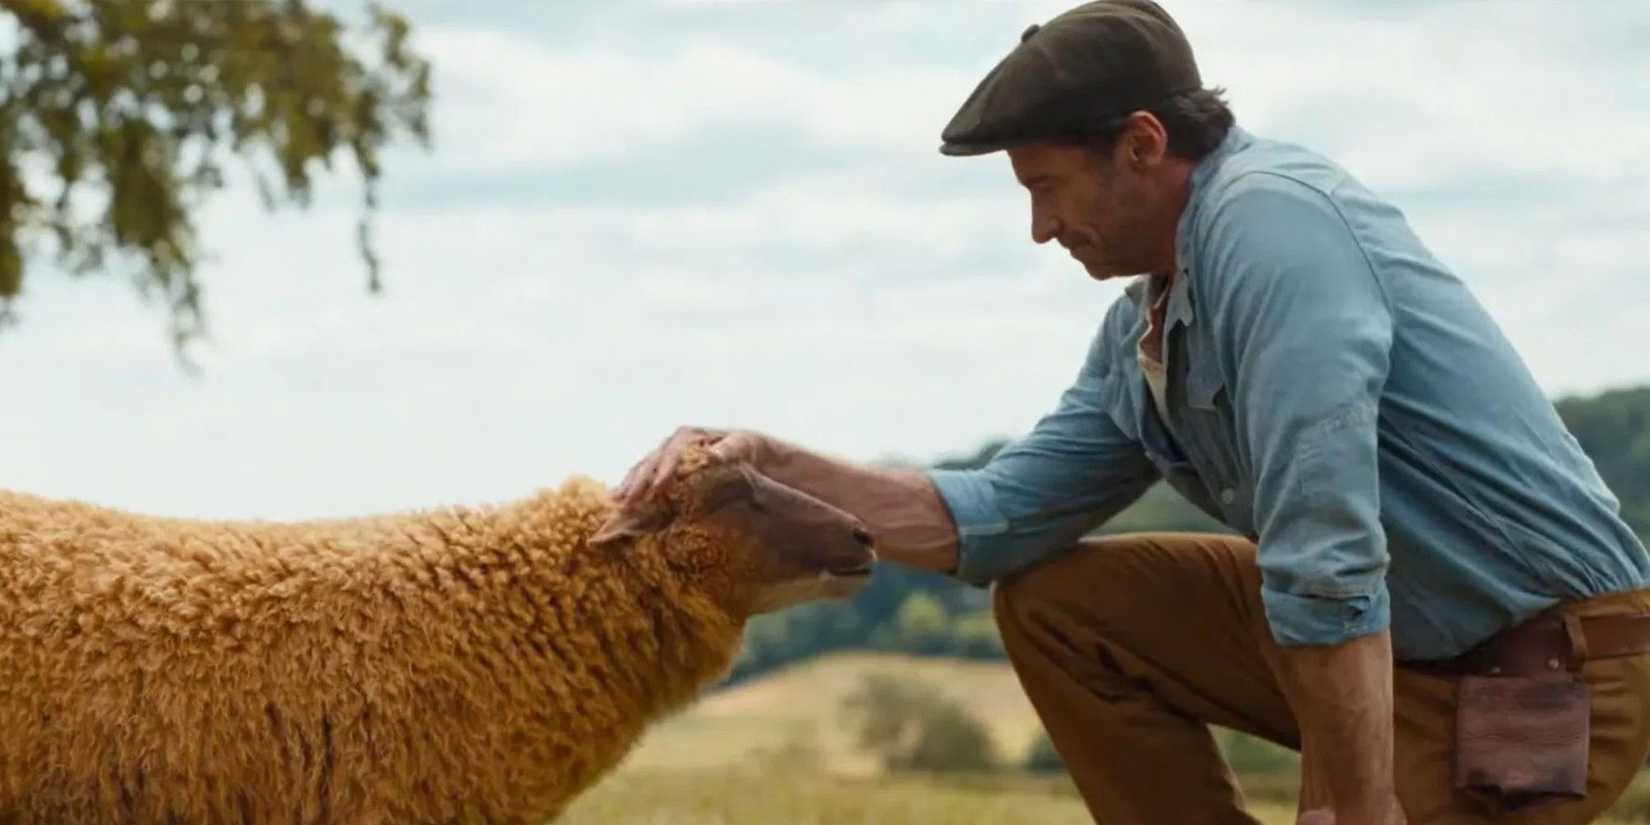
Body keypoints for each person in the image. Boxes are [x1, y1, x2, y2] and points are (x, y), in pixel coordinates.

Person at [609, 2, 1650, 823]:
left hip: (1540, 668)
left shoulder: (1271, 228)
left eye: (1050, 186)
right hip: (1386, 647)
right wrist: (755, 459)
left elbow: (1326, 550)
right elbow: (992, 516)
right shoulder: (1146, 323)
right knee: (1058, 601)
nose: (1039, 226)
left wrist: (1361, 808)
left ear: (1144, 144)